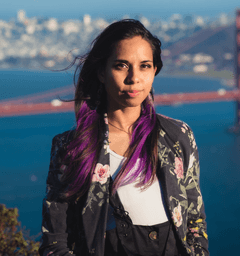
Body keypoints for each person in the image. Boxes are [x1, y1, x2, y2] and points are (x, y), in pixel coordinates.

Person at [39, 19, 209, 256]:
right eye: (121, 65)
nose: (134, 78)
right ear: (101, 72)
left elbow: (194, 220)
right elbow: (55, 242)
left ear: (155, 70)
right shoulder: (72, 147)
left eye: (145, 66)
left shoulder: (179, 136)